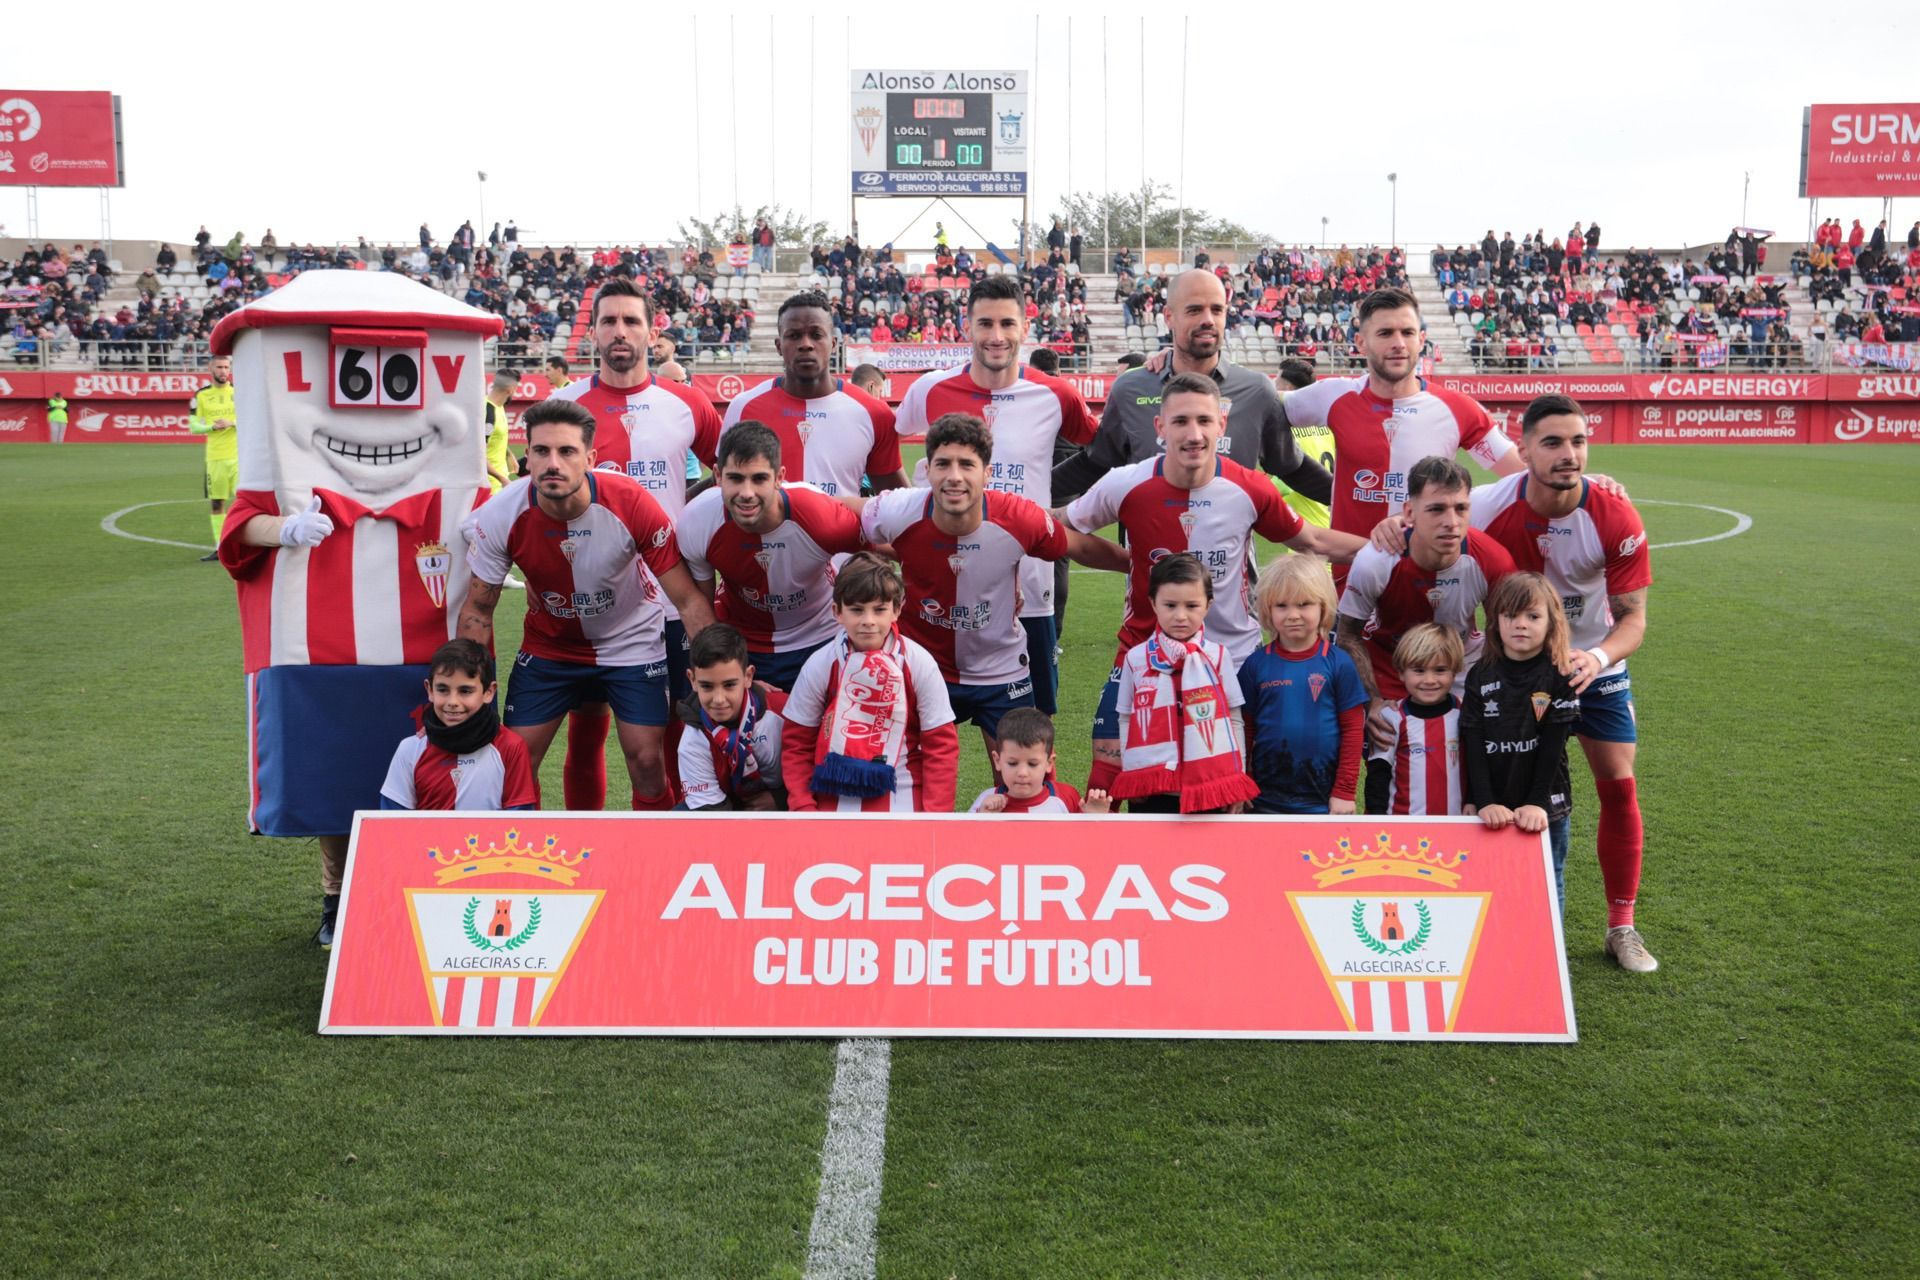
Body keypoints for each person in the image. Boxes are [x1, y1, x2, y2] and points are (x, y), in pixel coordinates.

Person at [1060, 374, 1365, 798]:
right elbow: (1065, 529)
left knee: (1237, 784)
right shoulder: (1125, 482)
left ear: (1222, 425)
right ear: (1160, 428)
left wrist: (1389, 549)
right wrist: (1124, 563)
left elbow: (1311, 540)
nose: (1194, 433)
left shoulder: (1248, 486)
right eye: (1181, 421)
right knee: (1110, 774)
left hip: (1233, 660)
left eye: (1205, 420)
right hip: (1141, 652)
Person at [1469, 394, 1657, 972]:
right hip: (1512, 672)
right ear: (1522, 449)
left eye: (1578, 441)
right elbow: (1426, 525)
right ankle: (1486, 918)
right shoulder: (1483, 507)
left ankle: (1621, 927)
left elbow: (1634, 620)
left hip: (1589, 667)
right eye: (1552, 442)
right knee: (1492, 797)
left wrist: (1597, 658)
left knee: (1618, 784)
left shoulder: (1615, 514)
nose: (1568, 454)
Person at [457, 400, 716, 812]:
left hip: (630, 643)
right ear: (529, 457)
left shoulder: (631, 502)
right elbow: (476, 613)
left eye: (567, 452)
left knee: (648, 761)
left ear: (591, 458)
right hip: (549, 648)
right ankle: (523, 862)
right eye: (541, 451)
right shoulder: (503, 514)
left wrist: (716, 674)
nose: (552, 463)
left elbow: (687, 600)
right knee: (513, 762)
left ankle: (653, 866)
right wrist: (468, 691)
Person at [548, 277, 724, 808]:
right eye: (608, 321)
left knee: (675, 727)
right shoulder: (564, 404)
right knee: (587, 732)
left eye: (631, 321)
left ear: (652, 332)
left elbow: (734, 474)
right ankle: (590, 854)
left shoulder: (687, 403)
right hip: (590, 598)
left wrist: (693, 518)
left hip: (670, 599)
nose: (619, 331)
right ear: (593, 333)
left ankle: (668, 849)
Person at [859, 412, 1121, 763]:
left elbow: (1082, 547)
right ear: (928, 470)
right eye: (943, 464)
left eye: (967, 465)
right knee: (906, 779)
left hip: (1001, 670)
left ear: (987, 473)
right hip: (922, 667)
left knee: (1026, 784)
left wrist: (1141, 565)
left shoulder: (1019, 518)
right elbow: (837, 520)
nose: (954, 477)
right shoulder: (895, 510)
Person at [895, 275, 1102, 714]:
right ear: (965, 326)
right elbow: (881, 450)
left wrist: (1066, 511)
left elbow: (1105, 451)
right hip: (939, 592)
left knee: (1029, 732)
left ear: (1025, 328)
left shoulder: (1055, 394)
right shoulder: (929, 390)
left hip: (1029, 586)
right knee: (921, 735)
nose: (996, 336)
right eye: (985, 323)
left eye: (1007, 324)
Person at [1275, 288, 1525, 585]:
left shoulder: (1458, 409)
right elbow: (1262, 406)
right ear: (1361, 342)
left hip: (1429, 587)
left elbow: (1521, 475)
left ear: (1421, 340)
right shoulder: (1332, 396)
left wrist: (1589, 483)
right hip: (1350, 584)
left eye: (1407, 332)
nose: (1398, 343)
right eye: (1385, 333)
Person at [1053, 270, 1333, 511]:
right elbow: (1095, 462)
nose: (1208, 319)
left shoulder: (1256, 391)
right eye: (1194, 310)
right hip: (1151, 568)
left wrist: (1358, 504)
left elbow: (1291, 467)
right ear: (1169, 317)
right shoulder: (1130, 388)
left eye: (1217, 309)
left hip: (1232, 571)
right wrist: (1016, 495)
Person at [1335, 455, 1516, 784]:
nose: (1451, 521)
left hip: (1461, 669)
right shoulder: (1375, 561)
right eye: (1436, 509)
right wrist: (1372, 701)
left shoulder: (1491, 559)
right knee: (1388, 771)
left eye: (1461, 508)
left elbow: (1503, 635)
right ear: (1409, 513)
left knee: (1471, 770)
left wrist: (1489, 692)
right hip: (1389, 672)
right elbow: (1346, 635)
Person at [675, 421, 865, 690]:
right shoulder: (696, 521)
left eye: (759, 479)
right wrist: (732, 674)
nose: (747, 493)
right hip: (741, 644)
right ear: (717, 476)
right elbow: (698, 607)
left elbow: (885, 549)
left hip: (821, 639)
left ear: (779, 477)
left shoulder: (818, 514)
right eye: (736, 478)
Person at [779, 552, 958, 812]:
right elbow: (797, 742)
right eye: (856, 610)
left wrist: (935, 817)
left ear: (896, 610)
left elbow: (940, 743)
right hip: (833, 788)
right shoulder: (820, 663)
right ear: (836, 612)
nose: (868, 621)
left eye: (879, 609)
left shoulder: (919, 662)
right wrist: (804, 808)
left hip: (903, 786)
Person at [1460, 573, 1581, 912]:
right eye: (1510, 615)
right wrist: (1482, 800)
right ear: (1495, 622)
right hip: (1492, 806)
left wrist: (1537, 803)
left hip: (1546, 805)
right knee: (1489, 882)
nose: (1521, 625)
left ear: (1551, 622)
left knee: (1547, 878)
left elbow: (1553, 747)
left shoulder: (1559, 674)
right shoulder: (1480, 675)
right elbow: (1473, 741)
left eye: (1533, 616)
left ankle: (1549, 962)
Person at [1108, 553, 1258, 814]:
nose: (1180, 616)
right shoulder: (1136, 658)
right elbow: (1125, 719)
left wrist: (1235, 779)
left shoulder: (1218, 656)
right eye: (1170, 605)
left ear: (1208, 606)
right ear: (1153, 604)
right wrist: (1134, 772)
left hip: (1208, 786)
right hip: (1153, 787)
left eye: (1191, 606)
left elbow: (1234, 719)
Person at [722, 291, 906, 498]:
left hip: (844, 532)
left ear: (834, 344)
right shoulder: (743, 408)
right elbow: (724, 487)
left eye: (817, 335)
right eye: (794, 336)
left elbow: (896, 504)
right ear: (778, 346)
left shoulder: (874, 413)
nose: (806, 344)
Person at [1237, 554, 1366, 815]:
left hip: (1323, 801)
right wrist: (1242, 782)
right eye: (1281, 606)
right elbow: (1244, 729)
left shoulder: (1339, 663)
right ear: (1267, 610)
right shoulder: (1255, 664)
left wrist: (1344, 791)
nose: (1293, 615)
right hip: (1263, 801)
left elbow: (1353, 729)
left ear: (1323, 607)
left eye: (1304, 604)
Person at [377, 639, 538, 815]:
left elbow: (519, 821)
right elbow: (392, 822)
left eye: (465, 691)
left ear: (489, 692)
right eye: (443, 689)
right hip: (427, 843)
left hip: (491, 843)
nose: (453, 702)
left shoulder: (510, 747)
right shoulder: (410, 749)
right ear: (429, 690)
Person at [676, 623, 789, 812]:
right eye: (707, 686)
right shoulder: (692, 741)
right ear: (692, 680)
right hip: (726, 812)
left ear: (748, 676)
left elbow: (814, 772)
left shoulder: (783, 712)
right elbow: (711, 814)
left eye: (729, 685)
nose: (719, 699)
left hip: (787, 803)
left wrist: (781, 799)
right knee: (679, 823)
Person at [1374, 623, 1466, 816]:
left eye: (1440, 670)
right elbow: (1378, 774)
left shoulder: (1466, 713)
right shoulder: (1391, 717)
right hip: (1404, 830)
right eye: (1419, 670)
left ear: (1455, 671)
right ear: (1401, 672)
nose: (1430, 680)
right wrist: (1376, 820)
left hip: (1460, 827)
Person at [971, 708, 1085, 813]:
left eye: (1032, 764)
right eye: (1012, 763)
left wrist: (1095, 815)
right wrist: (983, 816)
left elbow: (1086, 833)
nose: (1022, 773)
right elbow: (965, 833)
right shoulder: (986, 801)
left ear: (1049, 763)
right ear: (997, 761)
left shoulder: (1066, 797)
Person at [189, 355, 239, 559]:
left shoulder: (239, 391)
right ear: (211, 368)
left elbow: (254, 417)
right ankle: (220, 548)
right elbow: (193, 427)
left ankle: (244, 545)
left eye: (226, 367)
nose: (223, 371)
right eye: (219, 367)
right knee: (217, 503)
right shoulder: (200, 396)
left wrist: (232, 422)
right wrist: (211, 427)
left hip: (239, 457)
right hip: (215, 458)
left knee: (244, 501)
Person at [483, 371, 516, 492]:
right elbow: (479, 455)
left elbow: (494, 436)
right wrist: (502, 479)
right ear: (511, 389)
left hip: (498, 482)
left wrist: (508, 454)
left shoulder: (498, 406)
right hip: (491, 486)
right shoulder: (488, 413)